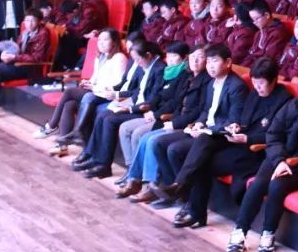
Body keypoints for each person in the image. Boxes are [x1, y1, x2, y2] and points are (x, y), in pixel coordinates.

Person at [226, 69, 298, 252]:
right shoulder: (292, 106)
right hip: (280, 158)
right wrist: (279, 160)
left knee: (277, 185)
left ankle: (268, 234)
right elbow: (273, 135)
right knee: (258, 184)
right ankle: (239, 231)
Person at [168, 56, 292, 228]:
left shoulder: (284, 101)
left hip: (257, 151)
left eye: (261, 83)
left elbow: (277, 136)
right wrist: (236, 126)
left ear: (273, 80)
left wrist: (248, 138)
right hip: (239, 140)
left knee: (203, 163)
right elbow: (244, 120)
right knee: (205, 138)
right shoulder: (254, 94)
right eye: (255, 83)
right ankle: (180, 185)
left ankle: (193, 208)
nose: (257, 87)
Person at [145, 43, 249, 205]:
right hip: (206, 132)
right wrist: (199, 123)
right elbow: (206, 111)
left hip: (220, 136)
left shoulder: (237, 86)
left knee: (176, 150)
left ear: (228, 62)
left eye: (215, 61)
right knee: (159, 143)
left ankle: (179, 188)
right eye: (208, 62)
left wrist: (207, 129)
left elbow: (233, 120)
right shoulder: (212, 83)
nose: (210, 66)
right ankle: (172, 192)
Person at [117, 44, 208, 200]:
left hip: (187, 125)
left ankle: (152, 186)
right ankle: (136, 180)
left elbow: (198, 111)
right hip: (174, 119)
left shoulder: (205, 81)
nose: (195, 61)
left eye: (200, 57)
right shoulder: (189, 77)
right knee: (145, 138)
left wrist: (172, 121)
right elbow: (176, 103)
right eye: (193, 57)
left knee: (152, 140)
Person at [72, 39, 166, 178]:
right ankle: (93, 156)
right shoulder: (146, 66)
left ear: (148, 55)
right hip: (135, 103)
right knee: (103, 114)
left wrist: (129, 108)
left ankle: (104, 165)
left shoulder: (159, 69)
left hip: (144, 110)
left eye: (137, 59)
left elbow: (153, 99)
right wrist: (120, 99)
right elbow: (137, 92)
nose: (136, 63)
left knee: (109, 120)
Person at [40, 27, 128, 151]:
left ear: (114, 42)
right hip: (96, 92)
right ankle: (62, 145)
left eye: (105, 39)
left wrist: (94, 86)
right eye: (99, 40)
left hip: (108, 96)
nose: (101, 43)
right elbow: (95, 78)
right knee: (69, 104)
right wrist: (88, 83)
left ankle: (52, 125)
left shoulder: (119, 58)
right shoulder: (100, 57)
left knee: (69, 92)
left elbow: (118, 84)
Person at [0, 8, 50, 117]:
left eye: (33, 20)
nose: (29, 23)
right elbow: (16, 49)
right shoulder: (25, 32)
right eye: (27, 20)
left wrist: (14, 57)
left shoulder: (43, 34)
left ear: (39, 21)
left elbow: (37, 58)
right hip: (17, 62)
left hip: (30, 67)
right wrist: (6, 54)